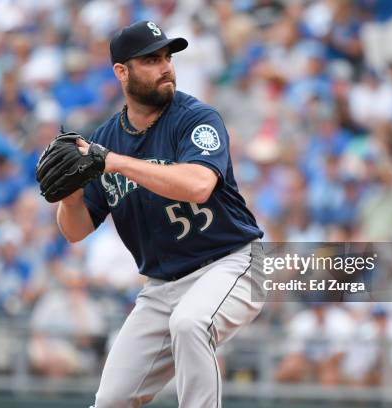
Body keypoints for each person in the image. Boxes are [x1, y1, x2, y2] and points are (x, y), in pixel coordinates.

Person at [41, 20, 266, 408]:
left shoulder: (195, 117)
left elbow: (197, 185)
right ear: (122, 72)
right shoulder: (105, 141)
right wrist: (72, 197)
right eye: (151, 59)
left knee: (191, 324)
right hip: (162, 287)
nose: (165, 66)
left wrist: (114, 163)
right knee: (111, 400)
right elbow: (75, 231)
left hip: (233, 264)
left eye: (167, 57)